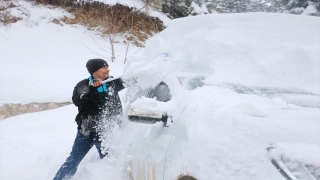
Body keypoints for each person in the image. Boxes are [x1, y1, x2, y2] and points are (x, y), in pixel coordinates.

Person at [53, 59, 125, 180]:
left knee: (111, 163)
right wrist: (92, 89)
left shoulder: (112, 82)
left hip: (106, 133)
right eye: (104, 67)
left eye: (108, 66)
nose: (108, 69)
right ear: (95, 71)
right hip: (86, 133)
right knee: (72, 162)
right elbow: (78, 101)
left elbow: (134, 79)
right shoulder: (84, 85)